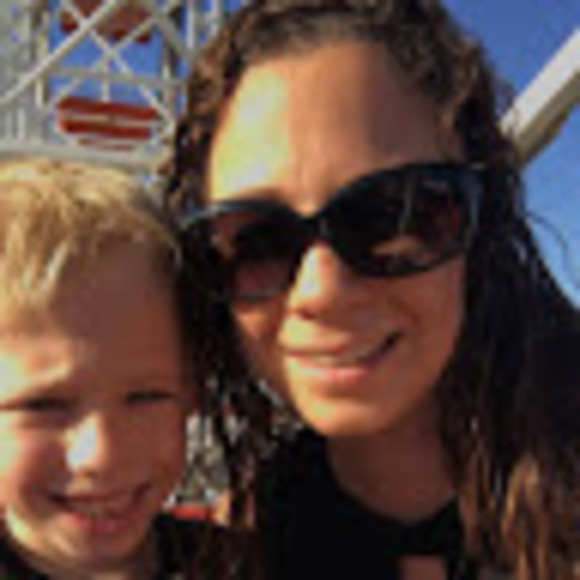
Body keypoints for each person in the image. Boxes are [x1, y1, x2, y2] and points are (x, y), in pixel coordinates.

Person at [166, 0, 580, 578]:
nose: (321, 291)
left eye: (392, 215)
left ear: (481, 221)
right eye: (257, 241)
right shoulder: (247, 545)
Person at [0, 158, 235, 579]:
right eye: (44, 405)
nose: (102, 454)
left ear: (191, 390)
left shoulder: (241, 563)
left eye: (146, 396)